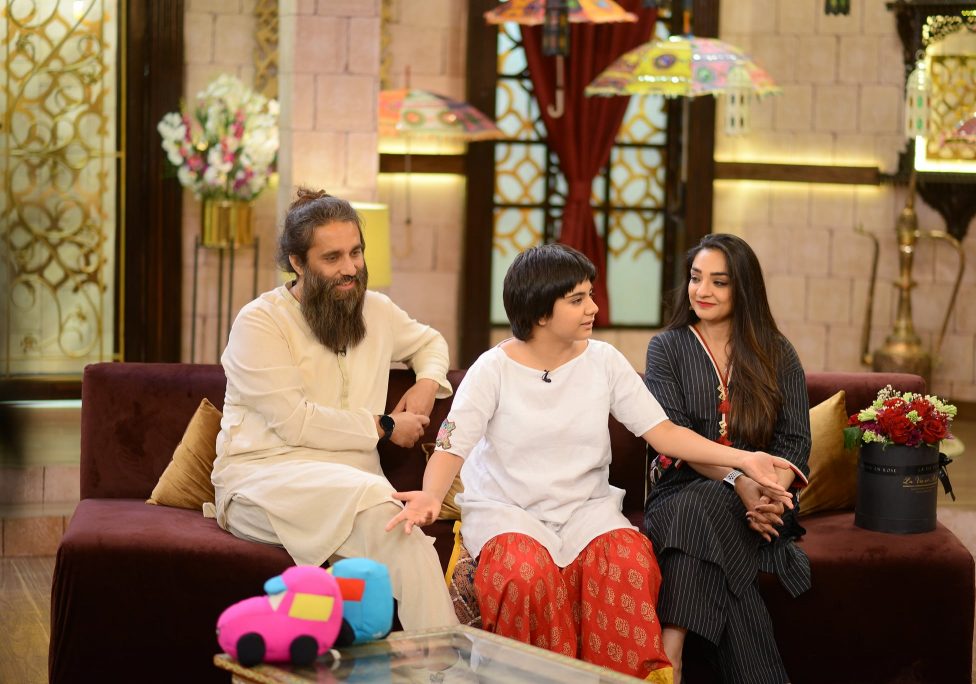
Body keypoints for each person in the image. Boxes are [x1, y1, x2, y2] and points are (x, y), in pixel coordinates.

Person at [386, 243, 799, 682]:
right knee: (524, 573)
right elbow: (451, 445)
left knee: (629, 562)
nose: (593, 308)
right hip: (510, 513)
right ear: (541, 311)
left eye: (591, 295)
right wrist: (430, 496)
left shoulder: (603, 360)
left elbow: (664, 433)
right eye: (578, 299)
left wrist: (743, 459)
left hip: (586, 511)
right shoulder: (492, 369)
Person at [209, 187, 458, 631]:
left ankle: (439, 671)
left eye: (356, 252)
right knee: (383, 510)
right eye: (333, 258)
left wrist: (425, 382)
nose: (350, 269)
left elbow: (430, 342)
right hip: (265, 479)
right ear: (297, 262)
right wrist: (383, 425)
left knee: (405, 538)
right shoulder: (260, 322)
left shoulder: (375, 310)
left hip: (357, 491)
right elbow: (294, 421)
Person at [644, 233, 811, 684]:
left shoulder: (777, 352)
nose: (702, 291)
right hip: (679, 491)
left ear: (744, 289)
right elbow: (673, 437)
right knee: (699, 503)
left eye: (719, 282)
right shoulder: (668, 348)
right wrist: (740, 479)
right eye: (697, 278)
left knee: (699, 517)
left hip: (763, 502)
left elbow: (795, 442)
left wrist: (769, 494)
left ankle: (669, 654)